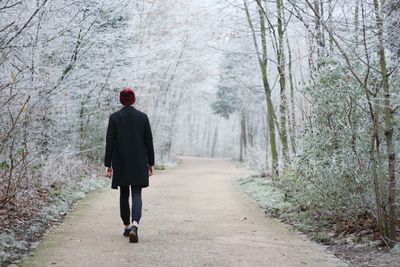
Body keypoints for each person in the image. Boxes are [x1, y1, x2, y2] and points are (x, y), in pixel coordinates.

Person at [104, 87, 155, 243]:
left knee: (124, 194)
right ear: (133, 100)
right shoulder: (143, 117)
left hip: (120, 162)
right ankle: (135, 225)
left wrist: (108, 164)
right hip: (139, 162)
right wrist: (151, 163)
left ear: (121, 100)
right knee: (137, 194)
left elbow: (110, 142)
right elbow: (148, 143)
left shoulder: (114, 118)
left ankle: (126, 227)